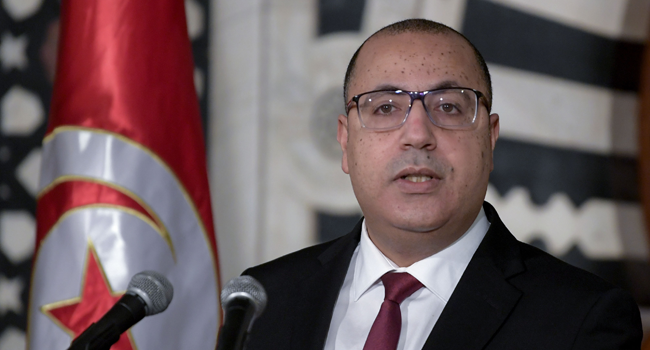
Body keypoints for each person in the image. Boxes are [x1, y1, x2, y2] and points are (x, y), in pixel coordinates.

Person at [242, 19, 643, 350]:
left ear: (489, 137)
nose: (417, 133)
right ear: (346, 141)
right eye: (385, 107)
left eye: (448, 107)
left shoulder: (582, 320)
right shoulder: (263, 301)